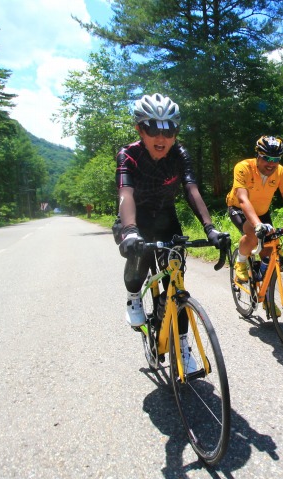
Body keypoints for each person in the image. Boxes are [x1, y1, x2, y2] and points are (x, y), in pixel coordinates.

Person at [116, 93, 225, 370]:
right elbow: (125, 193)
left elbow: (191, 190)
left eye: (169, 129)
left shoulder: (179, 154)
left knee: (177, 286)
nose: (161, 137)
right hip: (136, 218)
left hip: (166, 218)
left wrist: (210, 228)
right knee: (139, 261)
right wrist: (129, 231)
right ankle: (132, 298)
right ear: (140, 129)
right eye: (152, 128)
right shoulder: (129, 154)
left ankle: (183, 348)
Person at [226, 136, 283, 288]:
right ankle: (241, 262)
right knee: (253, 235)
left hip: (262, 212)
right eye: (267, 158)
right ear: (258, 155)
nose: (271, 163)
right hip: (239, 208)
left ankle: (266, 298)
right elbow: (243, 199)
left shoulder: (281, 172)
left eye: (276, 159)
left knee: (270, 255)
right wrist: (257, 225)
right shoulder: (243, 167)